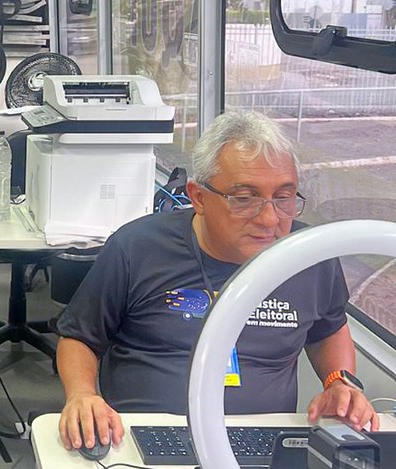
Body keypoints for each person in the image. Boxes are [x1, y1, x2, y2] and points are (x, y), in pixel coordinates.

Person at [55, 110, 379, 452]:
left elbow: (328, 329)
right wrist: (82, 395)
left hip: (263, 443)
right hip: (145, 436)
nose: (269, 218)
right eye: (244, 198)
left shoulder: (310, 256)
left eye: (283, 198)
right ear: (198, 197)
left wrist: (339, 383)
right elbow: (79, 337)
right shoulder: (136, 248)